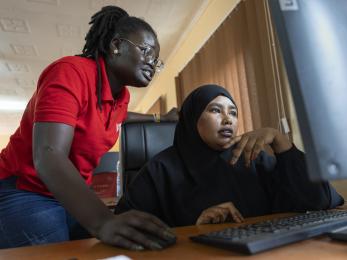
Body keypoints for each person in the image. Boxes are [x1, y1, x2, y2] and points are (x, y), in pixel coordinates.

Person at [0, 6, 177, 250]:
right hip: (26, 187)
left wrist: (160, 118)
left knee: (108, 249)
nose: (151, 62)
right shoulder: (71, 73)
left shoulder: (120, 97)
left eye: (156, 60)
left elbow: (121, 117)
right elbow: (49, 154)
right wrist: (103, 221)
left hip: (65, 193)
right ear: (116, 45)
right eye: (146, 51)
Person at [115, 84, 344, 227]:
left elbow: (320, 201)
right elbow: (124, 227)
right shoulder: (160, 170)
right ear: (192, 118)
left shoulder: (253, 158)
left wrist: (280, 142)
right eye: (215, 110)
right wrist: (193, 228)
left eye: (233, 112)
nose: (228, 119)